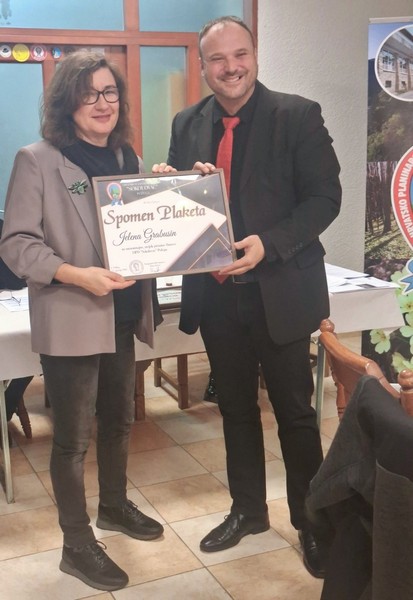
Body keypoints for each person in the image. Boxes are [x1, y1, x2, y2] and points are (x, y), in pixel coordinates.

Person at [154, 16, 341, 578]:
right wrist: (167, 185)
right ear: (203, 66)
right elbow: (185, 204)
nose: (231, 67)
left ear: (254, 55)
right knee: (234, 408)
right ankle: (248, 511)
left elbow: (324, 198)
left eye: (240, 54)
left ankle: (310, 522)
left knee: (295, 414)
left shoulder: (298, 115)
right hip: (216, 295)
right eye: (218, 59)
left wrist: (271, 243)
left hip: (279, 289)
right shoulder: (187, 122)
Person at [0, 50, 164, 592]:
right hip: (72, 314)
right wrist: (76, 274)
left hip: (121, 314)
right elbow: (17, 245)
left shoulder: (126, 156)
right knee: (72, 441)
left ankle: (113, 506)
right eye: (88, 93)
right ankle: (76, 544)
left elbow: (138, 226)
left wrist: (170, 190)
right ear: (66, 102)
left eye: (109, 92)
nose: (102, 103)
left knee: (118, 421)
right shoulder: (37, 159)